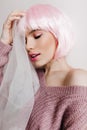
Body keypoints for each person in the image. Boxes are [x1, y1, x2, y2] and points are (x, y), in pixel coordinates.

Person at [0, 4, 87, 130]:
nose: (28, 46)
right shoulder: (30, 78)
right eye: (24, 40)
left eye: (37, 36)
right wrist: (4, 42)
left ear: (58, 34)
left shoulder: (77, 79)